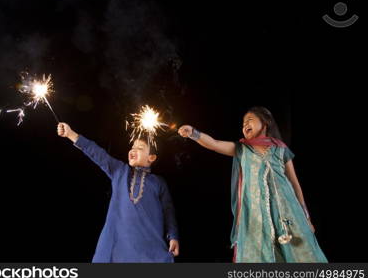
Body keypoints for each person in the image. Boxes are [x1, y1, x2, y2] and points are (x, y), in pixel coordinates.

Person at [178, 106, 327, 262]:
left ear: (265, 122)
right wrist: (194, 133)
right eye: (242, 124)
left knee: (301, 255)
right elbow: (214, 144)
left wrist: (306, 217)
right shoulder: (242, 149)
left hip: (288, 214)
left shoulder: (281, 149)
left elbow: (295, 184)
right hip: (256, 218)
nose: (244, 125)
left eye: (249, 120)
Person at [57, 122, 179, 262]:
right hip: (118, 246)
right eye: (132, 147)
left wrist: (173, 236)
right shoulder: (119, 171)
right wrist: (70, 134)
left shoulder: (158, 182)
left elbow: (168, 211)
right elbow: (97, 153)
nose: (133, 150)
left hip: (149, 247)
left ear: (151, 157)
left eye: (140, 148)